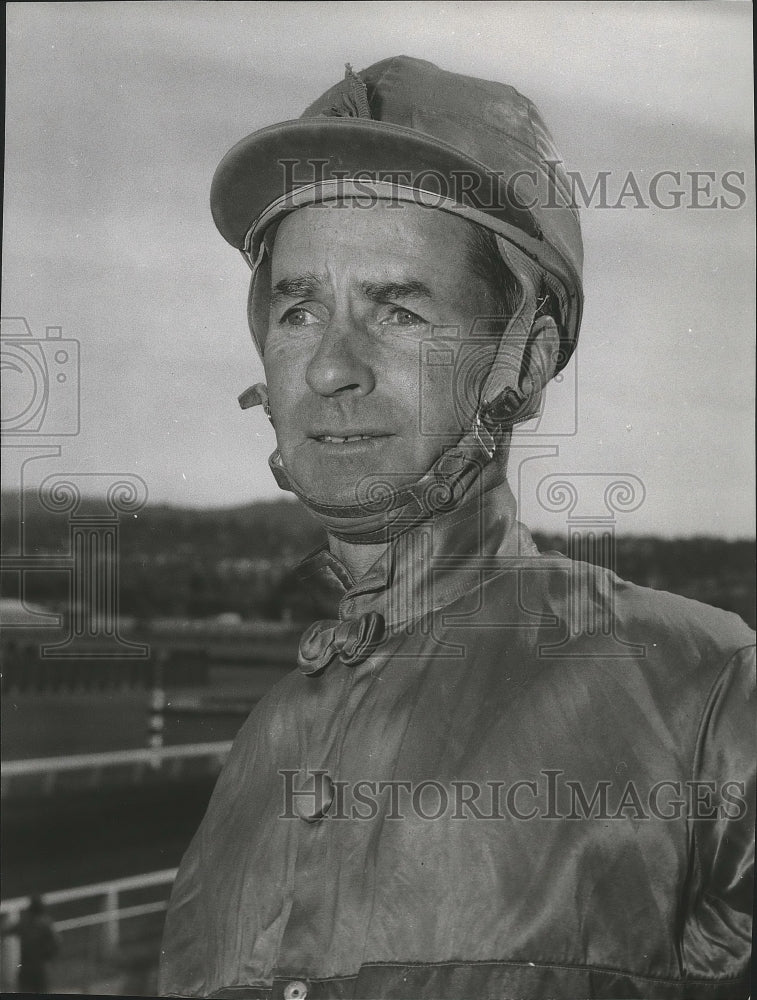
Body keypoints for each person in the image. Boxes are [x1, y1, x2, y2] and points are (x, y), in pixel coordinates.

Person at [159, 57, 754, 998]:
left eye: (397, 311)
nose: (327, 369)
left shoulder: (707, 690)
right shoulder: (263, 745)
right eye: (300, 308)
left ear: (526, 354)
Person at [2, 894, 59, 993]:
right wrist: (49, 957)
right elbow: (56, 944)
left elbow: (7, 931)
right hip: (40, 967)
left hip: (26, 967)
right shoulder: (46, 924)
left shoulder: (24, 923)